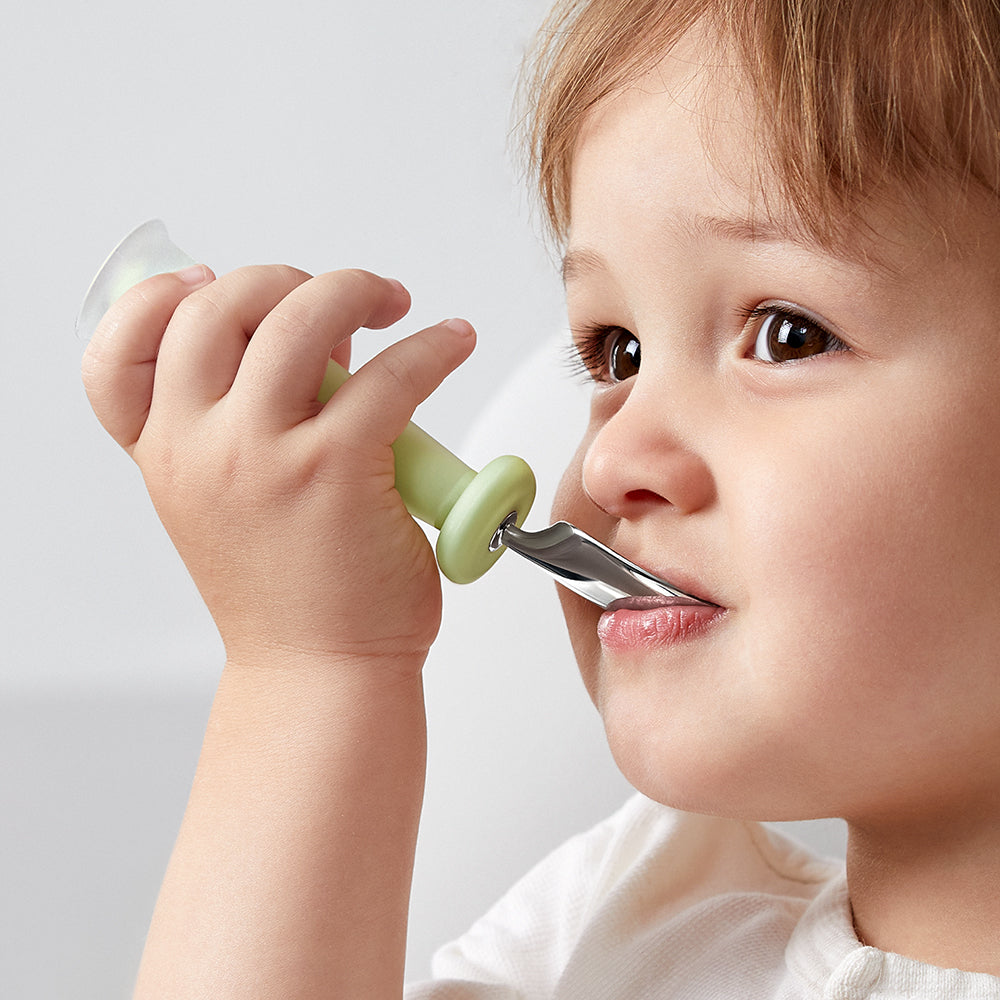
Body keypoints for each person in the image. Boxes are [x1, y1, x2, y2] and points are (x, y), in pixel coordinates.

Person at [82, 0, 1000, 996]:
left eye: (786, 332)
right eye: (619, 354)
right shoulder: (616, 928)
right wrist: (311, 664)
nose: (611, 465)